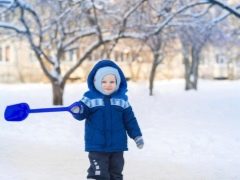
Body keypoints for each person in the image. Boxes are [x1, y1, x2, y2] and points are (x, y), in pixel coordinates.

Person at [71, 59, 144, 180]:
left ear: (118, 82)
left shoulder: (122, 100)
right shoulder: (89, 98)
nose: (108, 85)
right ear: (96, 82)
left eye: (112, 81)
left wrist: (137, 136)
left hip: (117, 146)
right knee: (99, 174)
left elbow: (130, 120)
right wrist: (78, 110)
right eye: (103, 81)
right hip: (97, 146)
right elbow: (81, 114)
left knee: (116, 174)